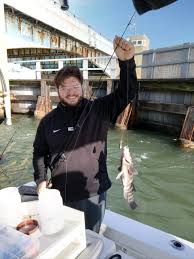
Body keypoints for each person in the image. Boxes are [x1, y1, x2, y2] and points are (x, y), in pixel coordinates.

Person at [33, 35, 138, 233]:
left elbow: (127, 92)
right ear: (58, 90)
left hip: (93, 195)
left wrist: (127, 63)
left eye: (75, 86)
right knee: (62, 239)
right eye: (64, 88)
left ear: (83, 86)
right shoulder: (47, 122)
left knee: (91, 239)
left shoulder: (100, 110)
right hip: (58, 195)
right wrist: (40, 180)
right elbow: (39, 154)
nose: (70, 92)